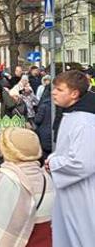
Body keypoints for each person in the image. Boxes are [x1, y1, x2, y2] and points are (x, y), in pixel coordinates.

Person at [47, 70, 95, 247]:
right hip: (71, 190)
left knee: (83, 236)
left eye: (59, 89)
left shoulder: (85, 121)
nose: (53, 92)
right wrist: (54, 158)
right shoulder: (71, 115)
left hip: (84, 191)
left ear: (74, 94)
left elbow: (83, 163)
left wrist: (53, 163)